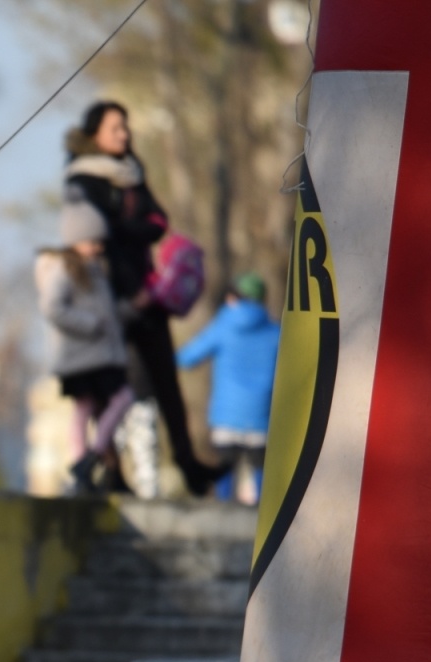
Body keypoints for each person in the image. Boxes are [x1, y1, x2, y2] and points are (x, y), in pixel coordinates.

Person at [64, 101, 223, 496]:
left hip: (149, 296)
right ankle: (113, 472)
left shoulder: (133, 172)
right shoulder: (82, 181)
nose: (124, 134)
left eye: (126, 127)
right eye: (116, 128)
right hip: (111, 301)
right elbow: (98, 235)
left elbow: (158, 221)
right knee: (116, 391)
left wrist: (129, 228)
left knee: (167, 384)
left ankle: (189, 466)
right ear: (95, 134)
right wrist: (133, 229)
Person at [37, 202, 134, 494]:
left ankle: (84, 462)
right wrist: (90, 324)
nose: (97, 247)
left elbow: (108, 311)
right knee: (117, 399)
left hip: (100, 355)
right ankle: (89, 456)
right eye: (92, 241)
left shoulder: (95, 271)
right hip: (84, 357)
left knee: (89, 407)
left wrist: (128, 311)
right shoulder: (64, 270)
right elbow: (52, 308)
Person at [176, 272, 281, 505]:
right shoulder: (276, 333)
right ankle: (260, 523)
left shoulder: (223, 326)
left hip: (226, 417)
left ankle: (223, 515)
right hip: (261, 417)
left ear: (234, 298)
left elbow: (189, 357)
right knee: (261, 473)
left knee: (224, 472)